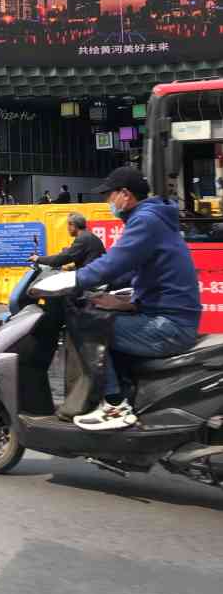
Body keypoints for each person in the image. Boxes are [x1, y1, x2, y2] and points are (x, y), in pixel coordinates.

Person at [72, 166, 201, 432]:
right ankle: (127, 394)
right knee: (105, 313)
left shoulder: (147, 220)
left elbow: (115, 263)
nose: (108, 202)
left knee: (89, 326)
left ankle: (114, 406)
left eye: (109, 196)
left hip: (170, 325)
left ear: (125, 195)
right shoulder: (154, 218)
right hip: (169, 315)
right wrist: (126, 302)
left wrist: (72, 280)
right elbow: (140, 271)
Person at [30, 213, 105, 270]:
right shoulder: (89, 236)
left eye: (68, 226)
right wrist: (73, 267)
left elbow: (63, 258)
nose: (67, 229)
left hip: (92, 281)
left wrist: (38, 259)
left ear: (72, 225)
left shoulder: (82, 239)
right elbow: (89, 257)